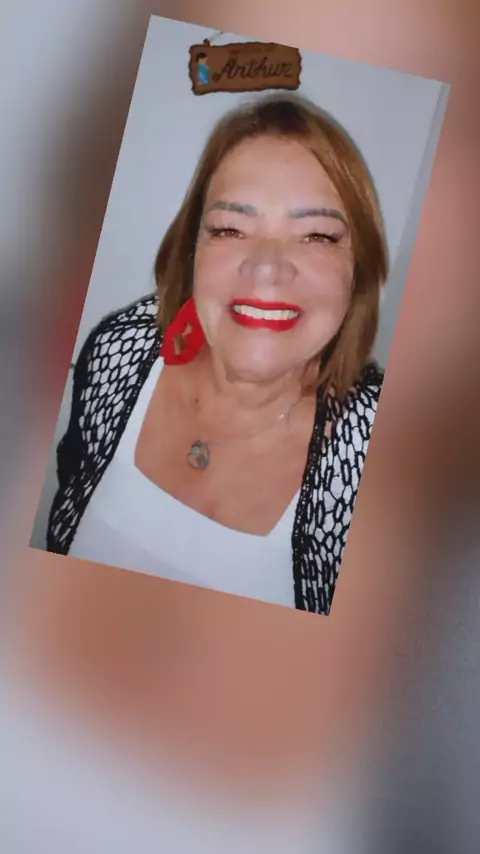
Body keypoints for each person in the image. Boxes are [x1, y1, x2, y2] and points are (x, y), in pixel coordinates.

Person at [47, 94, 388, 615]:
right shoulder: (119, 348)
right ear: (193, 249)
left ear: (358, 271)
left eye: (317, 236)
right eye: (230, 228)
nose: (267, 268)